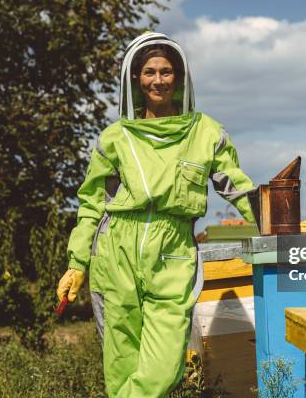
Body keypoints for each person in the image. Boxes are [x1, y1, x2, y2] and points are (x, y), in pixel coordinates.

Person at [56, 32, 256, 397]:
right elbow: (91, 204)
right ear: (135, 78)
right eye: (149, 72)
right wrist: (77, 261)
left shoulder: (207, 132)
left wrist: (280, 225)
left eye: (166, 72)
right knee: (121, 365)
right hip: (116, 252)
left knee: (163, 366)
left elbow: (237, 188)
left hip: (173, 253)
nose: (158, 80)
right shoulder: (114, 139)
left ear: (180, 78)